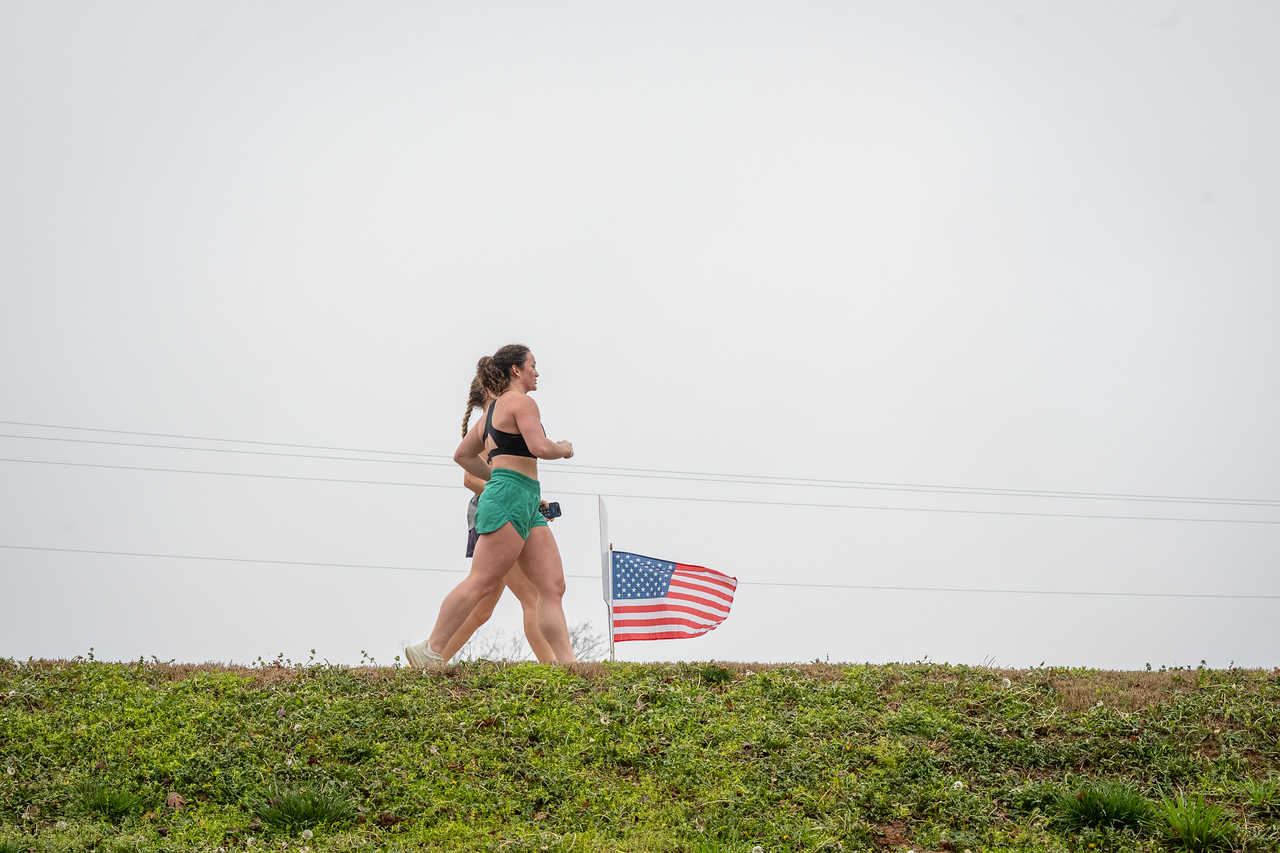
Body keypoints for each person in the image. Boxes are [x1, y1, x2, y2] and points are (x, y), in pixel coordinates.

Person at [405, 345, 577, 667]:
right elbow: (539, 447)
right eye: (533, 366)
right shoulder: (522, 403)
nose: (536, 372)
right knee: (481, 582)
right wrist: (564, 449)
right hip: (508, 496)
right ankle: (430, 649)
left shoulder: (490, 414)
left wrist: (499, 473)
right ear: (516, 369)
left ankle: (567, 665)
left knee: (552, 586)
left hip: (525, 496)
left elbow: (462, 456)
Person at [435, 377, 557, 663]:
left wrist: (529, 499)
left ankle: (433, 659)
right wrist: (508, 495)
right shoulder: (490, 424)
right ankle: (554, 668)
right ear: (492, 390)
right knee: (533, 596)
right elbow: (469, 478)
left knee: (482, 609)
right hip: (498, 514)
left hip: (505, 509)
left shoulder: (501, 421)